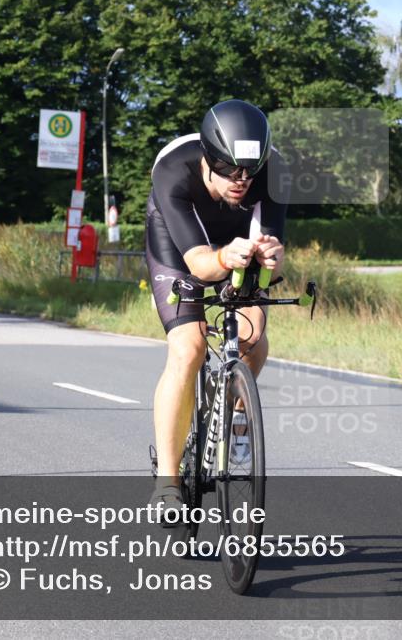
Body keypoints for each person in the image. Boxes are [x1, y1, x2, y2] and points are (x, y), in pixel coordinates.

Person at [144, 99, 287, 519]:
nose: (241, 181)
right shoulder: (173, 170)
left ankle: (233, 417)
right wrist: (225, 259)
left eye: (250, 171)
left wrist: (274, 256)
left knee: (253, 341)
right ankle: (167, 484)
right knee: (188, 348)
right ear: (208, 158)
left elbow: (273, 249)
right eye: (229, 170)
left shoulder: (272, 171)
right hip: (180, 244)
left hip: (239, 241)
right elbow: (201, 265)